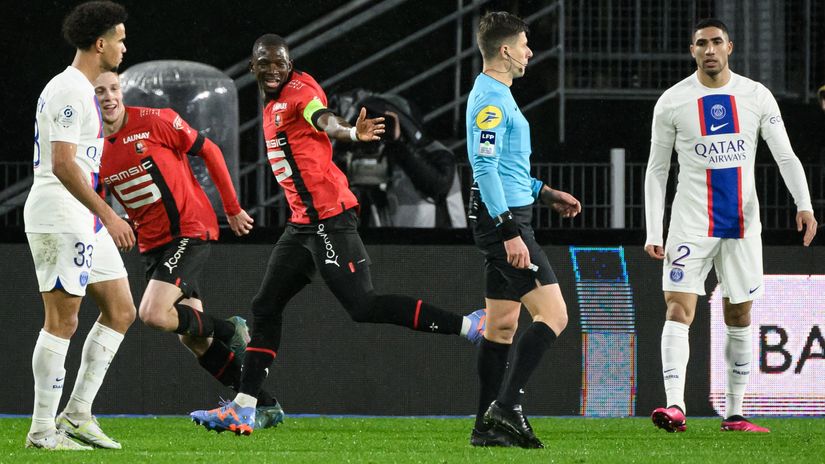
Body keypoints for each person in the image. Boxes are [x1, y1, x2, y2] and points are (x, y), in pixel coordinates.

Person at [190, 33, 487, 435]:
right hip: (302, 225)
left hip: (329, 219)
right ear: (253, 67)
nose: (275, 70)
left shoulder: (300, 89)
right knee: (265, 307)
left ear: (290, 63)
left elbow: (321, 116)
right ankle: (245, 407)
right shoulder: (270, 103)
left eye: (281, 62)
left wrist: (349, 132)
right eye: (266, 63)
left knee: (363, 306)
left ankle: (470, 326)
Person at [645, 18, 817, 434]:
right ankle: (674, 406)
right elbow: (656, 170)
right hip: (690, 223)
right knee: (677, 307)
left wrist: (805, 204)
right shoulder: (672, 101)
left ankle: (735, 414)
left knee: (739, 314)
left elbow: (785, 155)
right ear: (692, 50)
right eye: (701, 43)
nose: (709, 49)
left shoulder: (755, 95)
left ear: (730, 47)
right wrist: (654, 229)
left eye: (716, 42)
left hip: (742, 224)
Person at [94, 71, 284, 428]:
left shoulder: (155, 120)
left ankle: (232, 329)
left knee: (152, 313)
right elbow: (99, 201)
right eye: (99, 91)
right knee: (194, 339)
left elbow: (209, 149)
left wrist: (231, 207)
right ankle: (265, 405)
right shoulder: (93, 150)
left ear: (121, 91)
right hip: (154, 246)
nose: (108, 97)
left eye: (113, 89)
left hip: (188, 230)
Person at [23, 0, 135, 451]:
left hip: (81, 216)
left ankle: (77, 413)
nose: (125, 48)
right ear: (101, 42)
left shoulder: (81, 89)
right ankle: (42, 432)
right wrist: (108, 213)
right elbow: (63, 164)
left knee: (121, 309)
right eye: (121, 40)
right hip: (60, 211)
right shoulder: (70, 88)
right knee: (62, 321)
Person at [466, 12, 581, 449]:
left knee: (500, 328)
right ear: (506, 50)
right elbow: (484, 166)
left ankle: (483, 427)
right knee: (554, 315)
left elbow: (508, 168)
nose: (530, 52)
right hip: (504, 223)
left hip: (509, 214)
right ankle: (507, 406)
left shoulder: (498, 95)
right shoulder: (491, 100)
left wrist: (546, 193)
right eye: (524, 44)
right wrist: (509, 230)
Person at [331, 90, 467, 228]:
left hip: (438, 242)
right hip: (398, 240)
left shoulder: (437, 152)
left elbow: (438, 186)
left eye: (388, 122)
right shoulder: (385, 154)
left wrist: (398, 142)